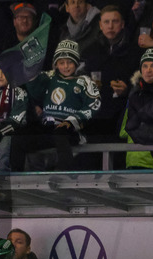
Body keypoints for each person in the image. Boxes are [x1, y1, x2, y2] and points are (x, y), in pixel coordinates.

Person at [18, 39, 101, 171]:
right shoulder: (48, 77)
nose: (65, 66)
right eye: (61, 63)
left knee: (60, 132)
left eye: (69, 62)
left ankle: (64, 172)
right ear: (56, 64)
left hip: (70, 130)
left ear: (76, 63)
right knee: (20, 136)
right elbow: (34, 91)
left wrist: (73, 120)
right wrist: (31, 71)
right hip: (47, 128)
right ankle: (13, 174)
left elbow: (95, 104)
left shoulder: (84, 81)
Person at [83, 5, 143, 142]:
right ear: (100, 25)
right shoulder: (89, 51)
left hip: (123, 116)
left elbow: (144, 82)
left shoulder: (135, 52)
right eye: (106, 22)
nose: (110, 26)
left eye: (114, 21)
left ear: (122, 24)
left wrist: (128, 88)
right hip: (95, 118)